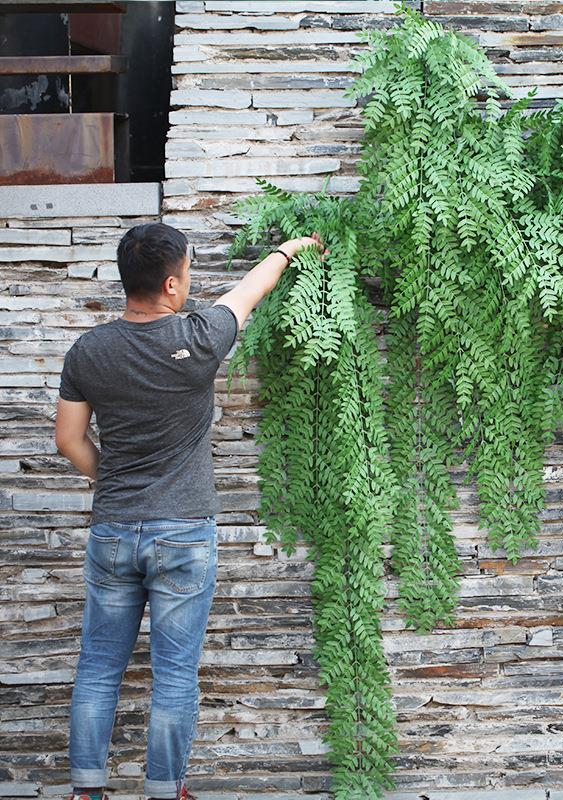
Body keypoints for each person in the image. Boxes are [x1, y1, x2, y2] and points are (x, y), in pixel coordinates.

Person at [55, 222, 325, 800]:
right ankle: (163, 790)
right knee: (174, 674)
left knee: (99, 666)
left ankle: (85, 791)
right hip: (184, 532)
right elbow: (252, 289)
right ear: (173, 285)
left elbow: (69, 441)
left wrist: (116, 481)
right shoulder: (200, 338)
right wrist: (289, 248)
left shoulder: (88, 350)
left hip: (113, 529)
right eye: (189, 272)